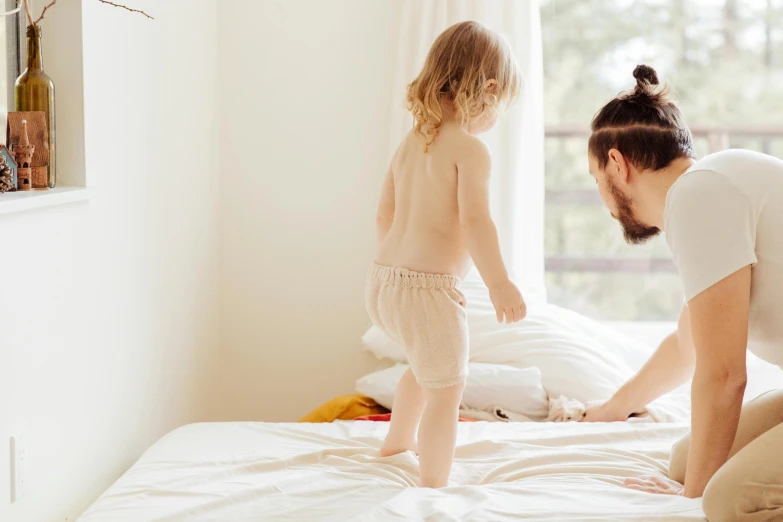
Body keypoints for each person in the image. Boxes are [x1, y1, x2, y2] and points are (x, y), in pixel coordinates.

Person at [583, 64, 783, 521]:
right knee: (684, 460)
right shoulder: (709, 187)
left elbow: (725, 375)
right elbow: (688, 344)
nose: (602, 199)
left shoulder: (701, 195)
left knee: (725, 499)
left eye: (597, 180)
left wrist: (691, 498)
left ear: (618, 163)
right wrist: (613, 409)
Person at [364, 21, 526, 488]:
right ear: (489, 91)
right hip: (428, 291)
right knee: (447, 389)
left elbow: (383, 216)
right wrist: (499, 282)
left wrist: (394, 272)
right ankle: (434, 485)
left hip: (383, 282)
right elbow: (476, 222)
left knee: (423, 366)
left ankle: (396, 445)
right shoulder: (470, 150)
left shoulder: (411, 143)